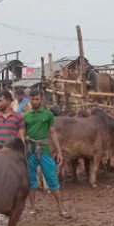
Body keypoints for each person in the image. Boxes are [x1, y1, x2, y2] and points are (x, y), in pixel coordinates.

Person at [24, 89, 68, 217]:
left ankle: (61, 209)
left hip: (44, 150)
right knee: (31, 181)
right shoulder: (26, 116)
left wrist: (59, 152)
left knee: (52, 179)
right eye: (32, 99)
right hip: (30, 151)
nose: (35, 101)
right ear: (29, 99)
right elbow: (22, 133)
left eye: (37, 99)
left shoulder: (48, 115)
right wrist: (25, 138)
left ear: (41, 99)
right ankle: (32, 208)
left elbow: (53, 133)